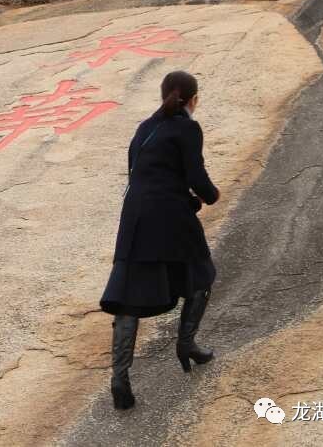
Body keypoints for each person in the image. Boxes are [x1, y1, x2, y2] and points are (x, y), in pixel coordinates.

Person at [99, 71, 220, 410]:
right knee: (201, 275)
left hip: (135, 218)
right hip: (170, 215)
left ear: (164, 93)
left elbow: (139, 175)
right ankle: (186, 344)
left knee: (127, 298)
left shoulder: (143, 129)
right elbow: (195, 174)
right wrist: (210, 196)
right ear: (193, 100)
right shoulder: (187, 127)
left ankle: (120, 378)